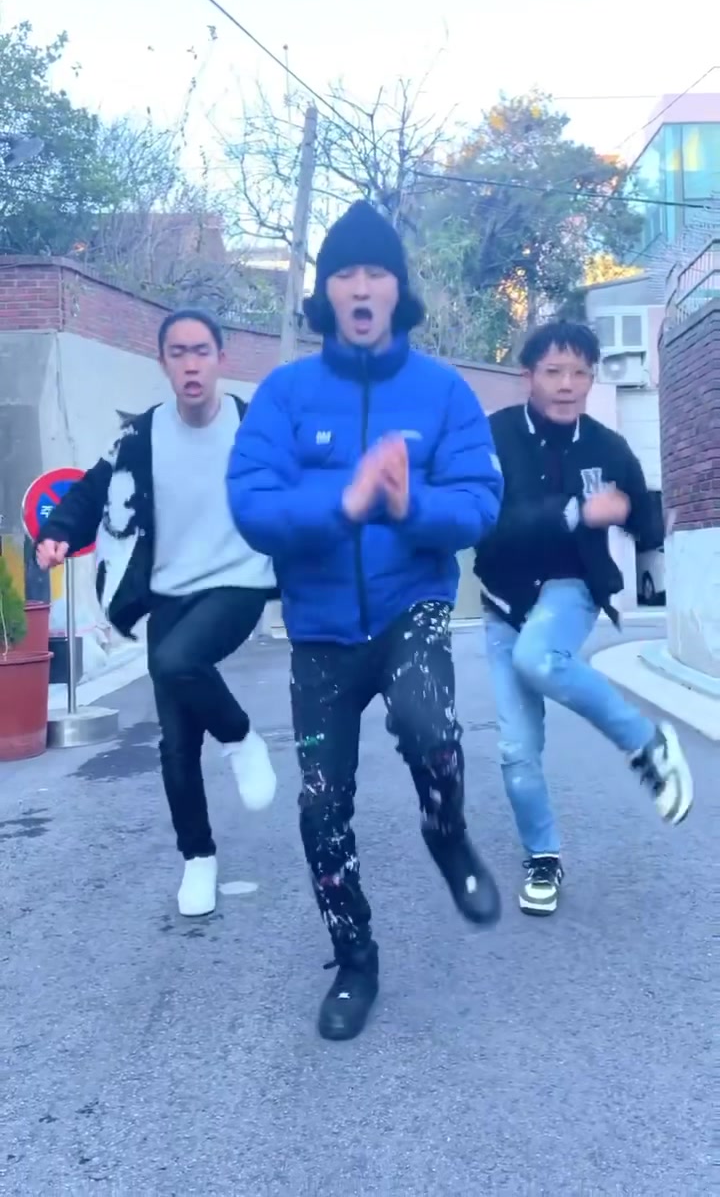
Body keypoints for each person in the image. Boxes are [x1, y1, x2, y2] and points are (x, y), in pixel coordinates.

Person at [226, 200, 504, 1041]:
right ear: (325, 293)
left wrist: (409, 504)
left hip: (410, 605)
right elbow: (252, 504)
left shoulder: (443, 391)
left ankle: (447, 834)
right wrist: (343, 503)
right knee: (321, 806)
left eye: (375, 271)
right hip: (318, 630)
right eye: (343, 272)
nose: (359, 286)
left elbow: (479, 502)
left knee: (430, 727)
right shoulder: (285, 394)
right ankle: (355, 961)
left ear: (396, 289)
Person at [35, 308, 278, 917]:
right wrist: (59, 532)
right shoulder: (140, 436)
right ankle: (198, 859)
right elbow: (90, 490)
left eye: (201, 351)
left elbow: (302, 489)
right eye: (178, 353)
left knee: (173, 661)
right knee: (175, 743)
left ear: (220, 359)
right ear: (163, 362)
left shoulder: (255, 427)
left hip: (239, 582)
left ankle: (241, 737)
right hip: (170, 592)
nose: (191, 364)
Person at [474, 320, 694, 918]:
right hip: (502, 600)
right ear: (528, 376)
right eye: (554, 372)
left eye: (580, 373)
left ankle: (647, 744)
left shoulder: (608, 446)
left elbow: (644, 519)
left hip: (571, 589)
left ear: (592, 378)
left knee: (539, 658)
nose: (568, 384)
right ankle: (542, 857)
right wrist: (575, 512)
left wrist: (634, 517)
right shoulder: (493, 436)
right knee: (516, 749)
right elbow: (489, 524)